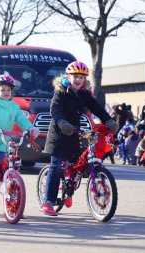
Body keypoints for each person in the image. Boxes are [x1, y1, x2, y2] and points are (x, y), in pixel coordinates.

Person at [42, 61, 118, 216]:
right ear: (68, 76)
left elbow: (96, 108)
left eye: (81, 77)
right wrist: (62, 123)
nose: (78, 80)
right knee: (56, 166)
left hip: (74, 133)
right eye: (75, 76)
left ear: (85, 79)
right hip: (58, 134)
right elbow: (55, 110)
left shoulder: (84, 94)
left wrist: (108, 120)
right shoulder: (60, 92)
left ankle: (68, 191)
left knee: (77, 166)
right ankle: (48, 201)